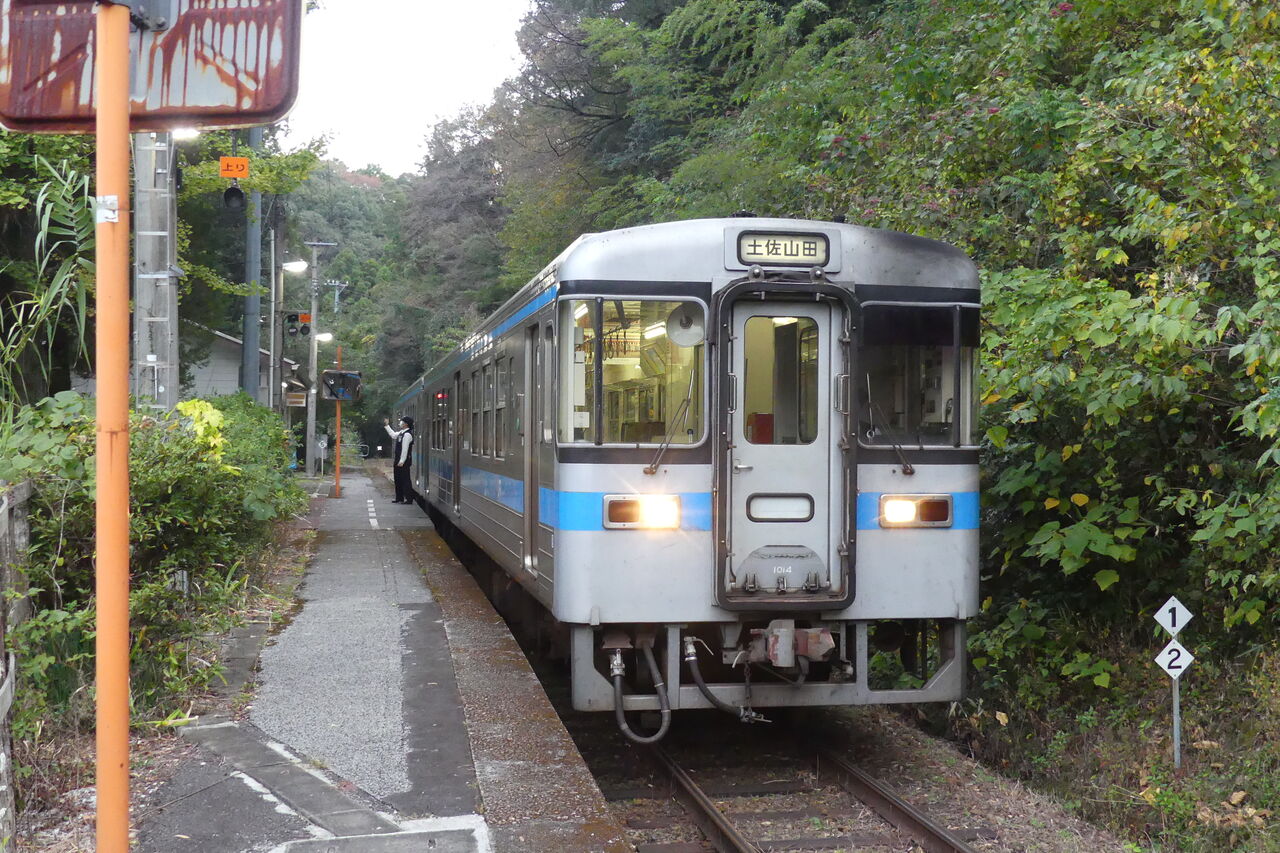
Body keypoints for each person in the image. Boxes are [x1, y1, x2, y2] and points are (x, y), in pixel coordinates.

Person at [384, 416, 418, 504]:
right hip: (398, 459)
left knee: (405, 479)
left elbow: (405, 449)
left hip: (404, 461)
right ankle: (399, 497)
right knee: (398, 479)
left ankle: (408, 499)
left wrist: (402, 461)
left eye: (401, 421)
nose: (400, 423)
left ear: (406, 424)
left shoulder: (407, 435)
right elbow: (393, 435)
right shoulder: (401, 433)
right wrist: (387, 426)